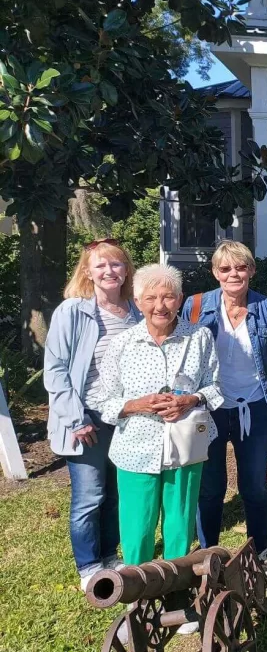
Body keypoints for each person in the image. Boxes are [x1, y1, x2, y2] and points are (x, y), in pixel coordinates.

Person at [97, 264, 223, 566]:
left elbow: (216, 388)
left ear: (179, 300)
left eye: (168, 297)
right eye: (150, 298)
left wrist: (190, 400)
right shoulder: (122, 344)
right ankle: (137, 592)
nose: (159, 306)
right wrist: (137, 405)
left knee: (179, 523)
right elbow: (104, 402)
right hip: (136, 448)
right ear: (138, 302)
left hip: (185, 446)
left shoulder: (199, 337)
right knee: (137, 526)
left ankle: (174, 591)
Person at [44, 239, 141, 590]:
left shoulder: (136, 312)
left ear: (126, 270)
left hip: (126, 417)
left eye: (116, 264)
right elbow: (55, 371)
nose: (109, 271)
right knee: (90, 495)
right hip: (86, 417)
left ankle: (110, 553)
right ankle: (88, 566)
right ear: (88, 272)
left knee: (116, 491)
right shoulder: (72, 312)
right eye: (100, 265)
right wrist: (76, 418)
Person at [184, 241, 267, 560]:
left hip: (253, 408)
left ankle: (259, 551)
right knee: (210, 488)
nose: (233, 274)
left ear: (252, 270)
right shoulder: (195, 306)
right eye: (225, 268)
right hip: (208, 409)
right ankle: (208, 554)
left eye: (241, 267)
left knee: (253, 486)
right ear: (215, 272)